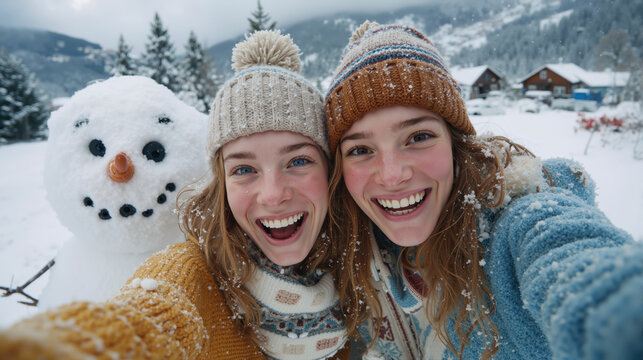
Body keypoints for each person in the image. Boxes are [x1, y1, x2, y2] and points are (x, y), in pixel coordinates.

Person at [0, 30, 349, 360]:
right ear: (220, 183)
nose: (272, 195)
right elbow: (149, 316)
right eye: (244, 169)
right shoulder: (196, 273)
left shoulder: (364, 259)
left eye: (298, 161)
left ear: (330, 169)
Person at [325, 21, 643, 360]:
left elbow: (579, 266)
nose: (391, 175)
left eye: (418, 137)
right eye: (360, 150)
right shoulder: (352, 256)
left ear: (456, 144)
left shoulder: (517, 229)